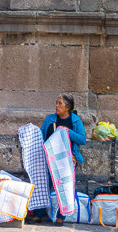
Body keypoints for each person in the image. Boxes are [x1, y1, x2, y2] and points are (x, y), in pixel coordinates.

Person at [31, 93, 87, 224]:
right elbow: (41, 135)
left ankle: (61, 217)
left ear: (68, 107)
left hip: (68, 159)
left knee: (65, 186)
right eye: (56, 103)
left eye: (60, 103)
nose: (57, 106)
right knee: (44, 184)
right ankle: (38, 214)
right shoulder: (50, 119)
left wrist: (67, 131)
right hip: (50, 159)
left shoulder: (75, 120)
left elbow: (82, 139)